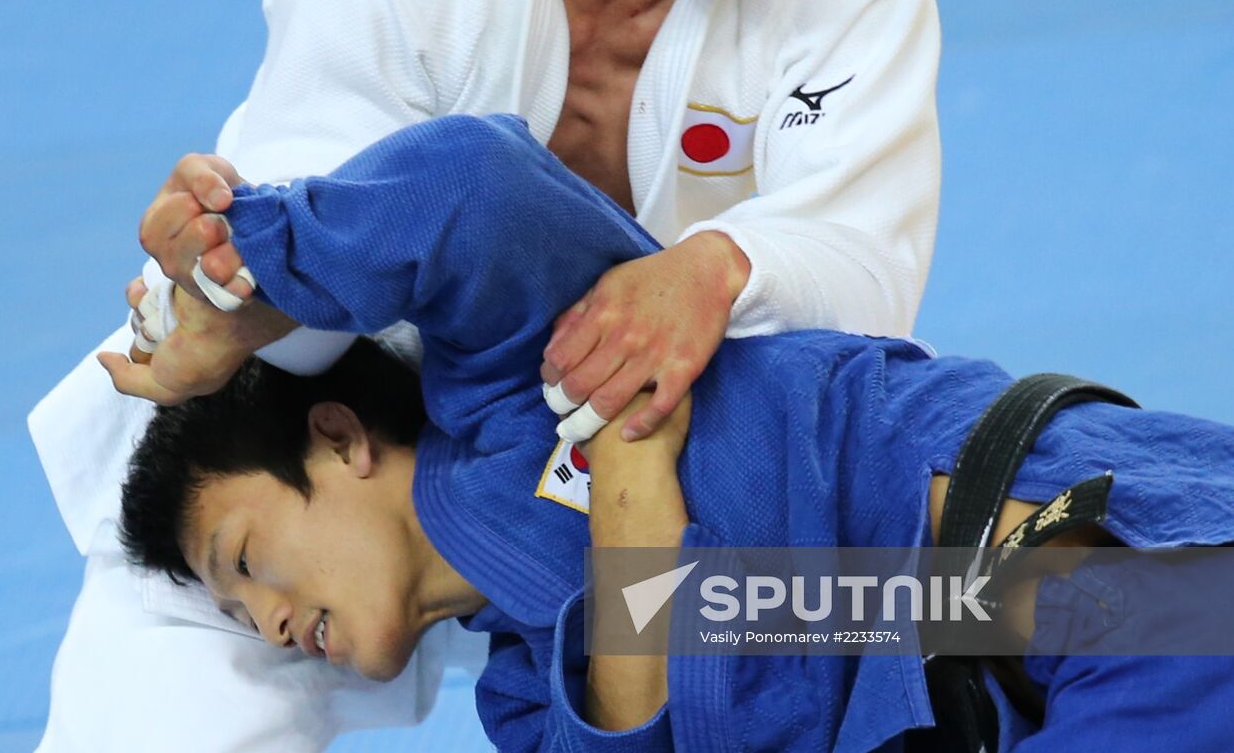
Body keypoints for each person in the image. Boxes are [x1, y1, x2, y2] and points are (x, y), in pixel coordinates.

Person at [33, 0, 941, 747]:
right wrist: (231, 286)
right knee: (166, 676)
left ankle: (1118, 600)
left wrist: (722, 266)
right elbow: (365, 215)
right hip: (344, 457)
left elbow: (866, 283)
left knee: (995, 622)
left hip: (679, 451)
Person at [119, 115, 1234, 752]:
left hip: (1049, 558)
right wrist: (632, 528)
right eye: (241, 617)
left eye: (246, 561)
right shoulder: (521, 695)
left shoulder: (517, 373)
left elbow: (472, 188)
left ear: (337, 437)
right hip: (959, 685)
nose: (266, 621)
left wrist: (253, 271)